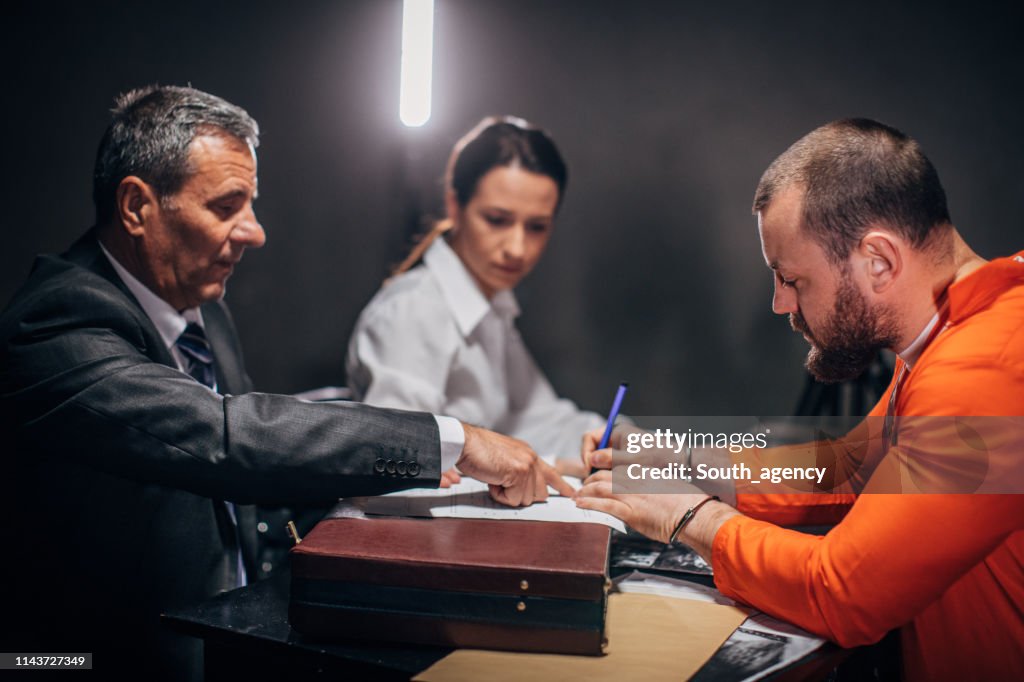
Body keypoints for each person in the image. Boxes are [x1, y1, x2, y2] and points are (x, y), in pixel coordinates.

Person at [0, 86, 572, 681]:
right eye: (226, 206)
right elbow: (225, 435)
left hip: (223, 637)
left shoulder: (201, 307)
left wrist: (655, 453)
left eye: (251, 204)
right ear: (137, 206)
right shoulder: (53, 323)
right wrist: (454, 441)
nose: (255, 232)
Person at [576, 119, 1024, 680]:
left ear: (878, 261)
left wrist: (685, 514)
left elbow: (843, 591)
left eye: (792, 279)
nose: (779, 304)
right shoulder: (968, 321)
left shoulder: (986, 365)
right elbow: (852, 467)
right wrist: (680, 458)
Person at [346, 116, 606, 472]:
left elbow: (540, 420)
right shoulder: (414, 310)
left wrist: (630, 446)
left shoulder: (490, 303)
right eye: (497, 220)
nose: (517, 248)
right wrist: (557, 466)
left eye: (536, 227)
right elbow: (396, 465)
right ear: (455, 207)